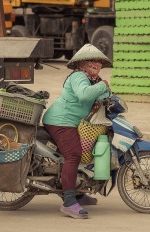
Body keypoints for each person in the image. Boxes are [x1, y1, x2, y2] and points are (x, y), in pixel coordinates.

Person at [42, 44, 112, 219]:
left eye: (99, 62)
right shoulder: (78, 77)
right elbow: (84, 95)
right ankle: (69, 201)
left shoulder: (93, 80)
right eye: (92, 62)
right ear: (82, 65)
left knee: (85, 151)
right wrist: (103, 85)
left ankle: (79, 193)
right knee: (74, 155)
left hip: (72, 123)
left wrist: (107, 93)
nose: (97, 65)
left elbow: (101, 94)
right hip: (60, 121)